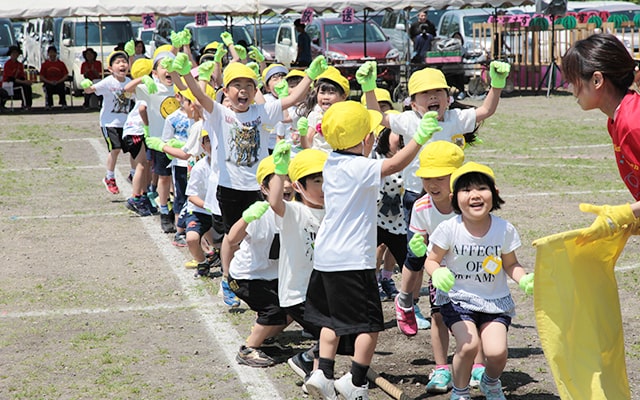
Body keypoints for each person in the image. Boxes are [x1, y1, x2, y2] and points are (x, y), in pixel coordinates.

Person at [303, 101, 441, 400]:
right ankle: (354, 380)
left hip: (326, 258)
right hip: (353, 260)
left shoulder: (330, 162)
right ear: (365, 140)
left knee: (330, 320)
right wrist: (419, 136)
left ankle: (323, 373)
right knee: (369, 324)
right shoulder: (360, 167)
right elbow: (394, 164)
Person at [172, 53, 326, 308]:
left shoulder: (262, 111)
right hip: (229, 189)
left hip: (259, 188)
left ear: (256, 91)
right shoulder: (219, 112)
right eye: (237, 86)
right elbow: (200, 97)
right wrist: (188, 72)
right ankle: (227, 277)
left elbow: (293, 98)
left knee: (262, 235)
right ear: (226, 91)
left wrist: (310, 73)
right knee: (233, 238)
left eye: (248, 86)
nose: (243, 91)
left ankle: (261, 277)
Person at [420, 161, 534, 400]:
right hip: (458, 299)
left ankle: (490, 382)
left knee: (497, 352)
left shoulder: (504, 229)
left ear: (495, 194)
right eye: (466, 190)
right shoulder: (449, 229)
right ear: (454, 197)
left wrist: (523, 279)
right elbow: (431, 260)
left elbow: (510, 264)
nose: (474, 195)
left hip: (495, 301)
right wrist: (437, 271)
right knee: (469, 345)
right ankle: (460, 392)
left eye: (482, 188)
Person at [561, 33, 640, 239]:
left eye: (573, 81)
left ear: (597, 80)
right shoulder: (617, 119)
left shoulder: (633, 123)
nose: (570, 89)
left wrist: (626, 213)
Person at [267, 143, 328, 384]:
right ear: (298, 187)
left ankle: (308, 364)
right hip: (298, 293)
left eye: (326, 180)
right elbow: (274, 203)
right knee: (329, 332)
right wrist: (280, 170)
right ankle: (316, 374)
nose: (323, 188)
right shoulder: (293, 211)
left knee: (335, 334)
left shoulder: (334, 210)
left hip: (324, 292)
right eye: (316, 181)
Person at [225, 156, 290, 368]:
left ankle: (266, 339)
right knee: (273, 310)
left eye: (290, 178)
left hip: (273, 275)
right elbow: (231, 240)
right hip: (247, 276)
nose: (286, 184)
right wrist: (246, 218)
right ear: (264, 188)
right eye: (280, 180)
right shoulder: (260, 212)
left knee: (294, 306)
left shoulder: (296, 209)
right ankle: (248, 349)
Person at [125, 50, 179, 234]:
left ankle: (179, 211)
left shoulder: (181, 87)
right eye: (163, 66)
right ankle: (164, 211)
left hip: (182, 141)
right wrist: (143, 79)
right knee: (164, 177)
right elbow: (126, 89)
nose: (168, 69)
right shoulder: (152, 87)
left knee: (181, 178)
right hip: (161, 141)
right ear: (155, 73)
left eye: (171, 65)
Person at [81, 51, 134, 195]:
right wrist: (86, 85)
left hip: (127, 123)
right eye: (117, 62)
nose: (122, 64)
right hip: (109, 122)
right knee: (115, 149)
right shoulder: (109, 81)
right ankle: (109, 177)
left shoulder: (130, 82)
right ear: (110, 69)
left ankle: (133, 174)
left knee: (134, 150)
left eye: (124, 61)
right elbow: (90, 90)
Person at [296, 66, 350, 152]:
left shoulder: (347, 116)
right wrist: (303, 134)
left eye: (331, 93)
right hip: (318, 158)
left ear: (343, 97)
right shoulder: (315, 115)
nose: (326, 97)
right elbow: (307, 145)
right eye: (322, 93)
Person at [2, 45, 33, 110]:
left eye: (16, 53)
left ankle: (29, 104)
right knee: (22, 87)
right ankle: (25, 105)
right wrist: (24, 82)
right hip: (8, 83)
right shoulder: (8, 64)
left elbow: (21, 76)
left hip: (18, 82)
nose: (15, 55)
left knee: (28, 86)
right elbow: (10, 78)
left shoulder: (19, 64)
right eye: (13, 53)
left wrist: (27, 81)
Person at [40, 46, 69, 110]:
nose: (52, 54)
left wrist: (59, 81)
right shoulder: (45, 64)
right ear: (48, 54)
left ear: (56, 53)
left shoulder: (61, 64)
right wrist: (49, 82)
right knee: (48, 87)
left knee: (61, 87)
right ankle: (49, 104)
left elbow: (66, 75)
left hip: (59, 82)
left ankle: (63, 103)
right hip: (48, 82)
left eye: (53, 53)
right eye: (50, 53)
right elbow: (41, 76)